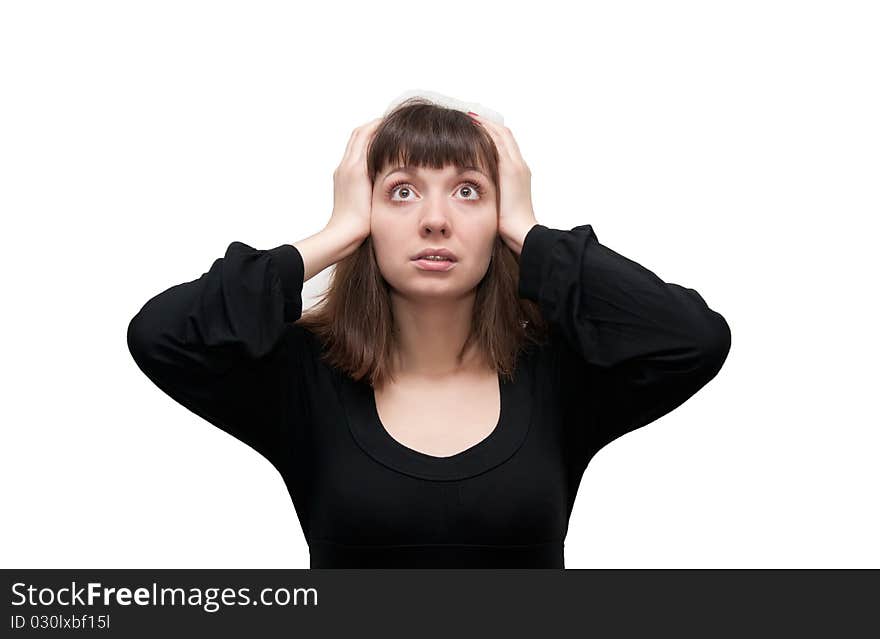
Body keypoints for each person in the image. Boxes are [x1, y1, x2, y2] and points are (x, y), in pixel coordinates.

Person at [126, 97, 732, 568]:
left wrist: (531, 231)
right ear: (368, 215)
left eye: (468, 192)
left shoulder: (561, 375)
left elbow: (694, 339)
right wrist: (334, 234)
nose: (436, 220)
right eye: (402, 192)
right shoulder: (299, 378)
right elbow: (159, 335)